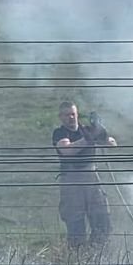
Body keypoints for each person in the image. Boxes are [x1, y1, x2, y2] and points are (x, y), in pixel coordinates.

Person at [52, 101, 117, 247]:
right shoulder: (60, 133)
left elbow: (112, 144)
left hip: (92, 177)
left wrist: (100, 132)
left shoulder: (87, 130)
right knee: (75, 225)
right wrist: (88, 139)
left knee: (102, 220)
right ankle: (78, 258)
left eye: (73, 114)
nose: (71, 117)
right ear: (61, 117)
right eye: (67, 115)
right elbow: (67, 150)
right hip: (71, 180)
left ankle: (97, 253)